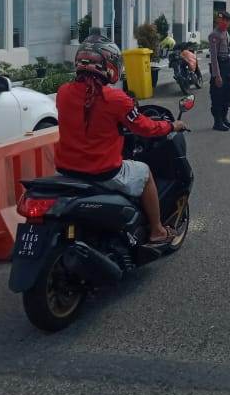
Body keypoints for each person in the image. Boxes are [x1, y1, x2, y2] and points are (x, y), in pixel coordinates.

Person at [54, 32, 187, 247]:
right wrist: (172, 125)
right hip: (103, 171)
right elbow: (146, 128)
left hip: (67, 169)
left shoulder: (63, 92)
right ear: (109, 66)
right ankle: (157, 230)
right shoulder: (116, 99)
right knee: (144, 172)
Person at [209, 11, 230, 131]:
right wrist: (217, 75)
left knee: (228, 93)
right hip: (218, 66)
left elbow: (228, 52)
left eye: (226, 21)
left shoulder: (226, 33)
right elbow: (214, 57)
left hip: (226, 66)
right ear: (219, 21)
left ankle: (224, 118)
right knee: (217, 95)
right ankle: (217, 122)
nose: (225, 23)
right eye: (222, 20)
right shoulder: (214, 35)